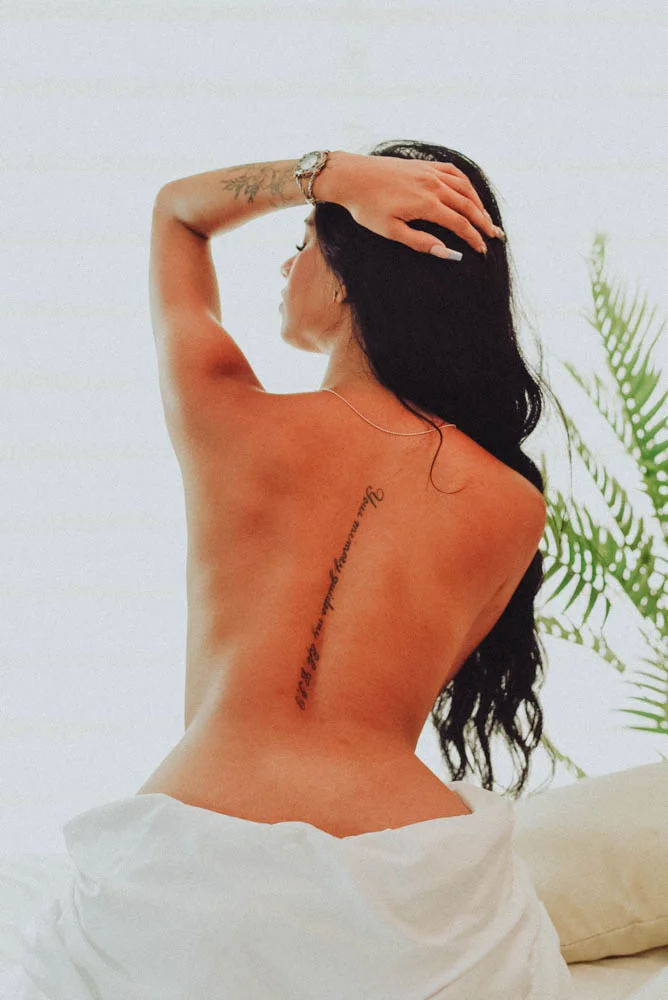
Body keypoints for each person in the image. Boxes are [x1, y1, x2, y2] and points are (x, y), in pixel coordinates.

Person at [0, 141, 574, 998]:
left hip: (183, 888)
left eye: (305, 242)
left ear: (349, 277)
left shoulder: (224, 413)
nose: (286, 263)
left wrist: (331, 175)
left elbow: (178, 213)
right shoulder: (511, 505)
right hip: (412, 905)